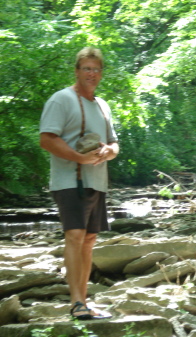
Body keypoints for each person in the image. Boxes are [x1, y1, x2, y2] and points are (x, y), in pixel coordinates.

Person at [40, 47, 119, 320]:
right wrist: (78, 158)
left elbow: (114, 142)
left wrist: (110, 151)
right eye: (87, 68)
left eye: (96, 69)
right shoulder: (61, 100)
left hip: (97, 181)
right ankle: (76, 303)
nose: (92, 74)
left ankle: (83, 301)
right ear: (76, 71)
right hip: (68, 180)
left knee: (89, 240)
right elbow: (47, 139)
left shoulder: (102, 105)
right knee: (74, 236)